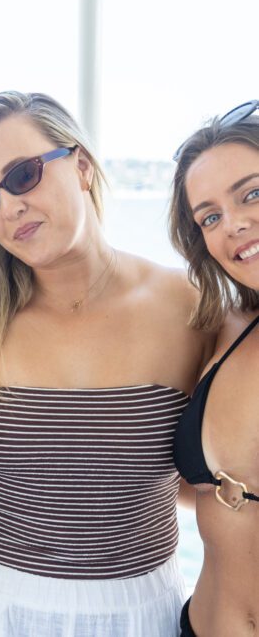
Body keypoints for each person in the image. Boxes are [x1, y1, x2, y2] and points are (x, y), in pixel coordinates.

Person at [0, 91, 213, 637]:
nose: (9, 206)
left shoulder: (191, 309)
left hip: (138, 612)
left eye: (24, 175)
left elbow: (209, 481)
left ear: (80, 165)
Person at [169, 100, 259, 637]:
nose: (235, 225)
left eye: (253, 193)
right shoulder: (226, 332)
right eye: (210, 216)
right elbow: (200, 485)